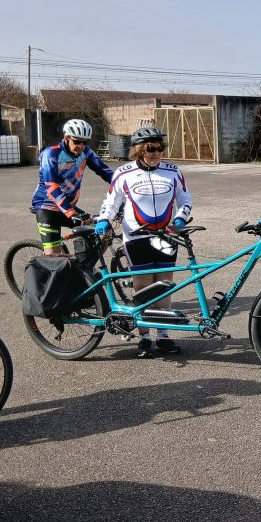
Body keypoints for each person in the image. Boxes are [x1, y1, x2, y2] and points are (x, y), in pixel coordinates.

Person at [95, 127, 192, 358]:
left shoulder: (172, 171)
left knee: (165, 287)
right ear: (139, 150)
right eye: (151, 149)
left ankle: (164, 337)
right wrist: (104, 220)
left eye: (160, 148)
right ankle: (145, 338)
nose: (156, 153)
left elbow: (185, 199)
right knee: (143, 289)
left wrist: (180, 218)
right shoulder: (124, 173)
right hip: (137, 238)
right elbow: (111, 202)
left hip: (166, 237)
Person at [31, 119, 114, 256]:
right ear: (66, 138)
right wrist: (71, 213)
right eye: (76, 141)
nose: (81, 146)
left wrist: (125, 188)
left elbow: (105, 171)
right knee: (53, 256)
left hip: (68, 207)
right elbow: (52, 187)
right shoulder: (51, 154)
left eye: (85, 142)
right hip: (47, 207)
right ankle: (42, 267)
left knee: (106, 230)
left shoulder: (86, 152)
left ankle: (85, 266)